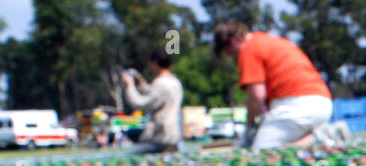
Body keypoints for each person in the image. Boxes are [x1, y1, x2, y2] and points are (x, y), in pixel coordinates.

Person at [212, 21, 333, 150]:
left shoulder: (248, 49)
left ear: (232, 42)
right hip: (323, 103)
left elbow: (257, 96)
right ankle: (316, 138)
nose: (234, 58)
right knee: (285, 147)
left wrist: (249, 126)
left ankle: (319, 139)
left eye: (230, 53)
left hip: (296, 106)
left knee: (262, 150)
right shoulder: (267, 40)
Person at [122, 51, 184, 154]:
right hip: (174, 136)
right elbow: (158, 97)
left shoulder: (160, 83)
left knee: (132, 156)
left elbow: (141, 104)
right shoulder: (175, 82)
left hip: (161, 137)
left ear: (155, 63)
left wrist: (130, 86)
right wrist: (141, 84)